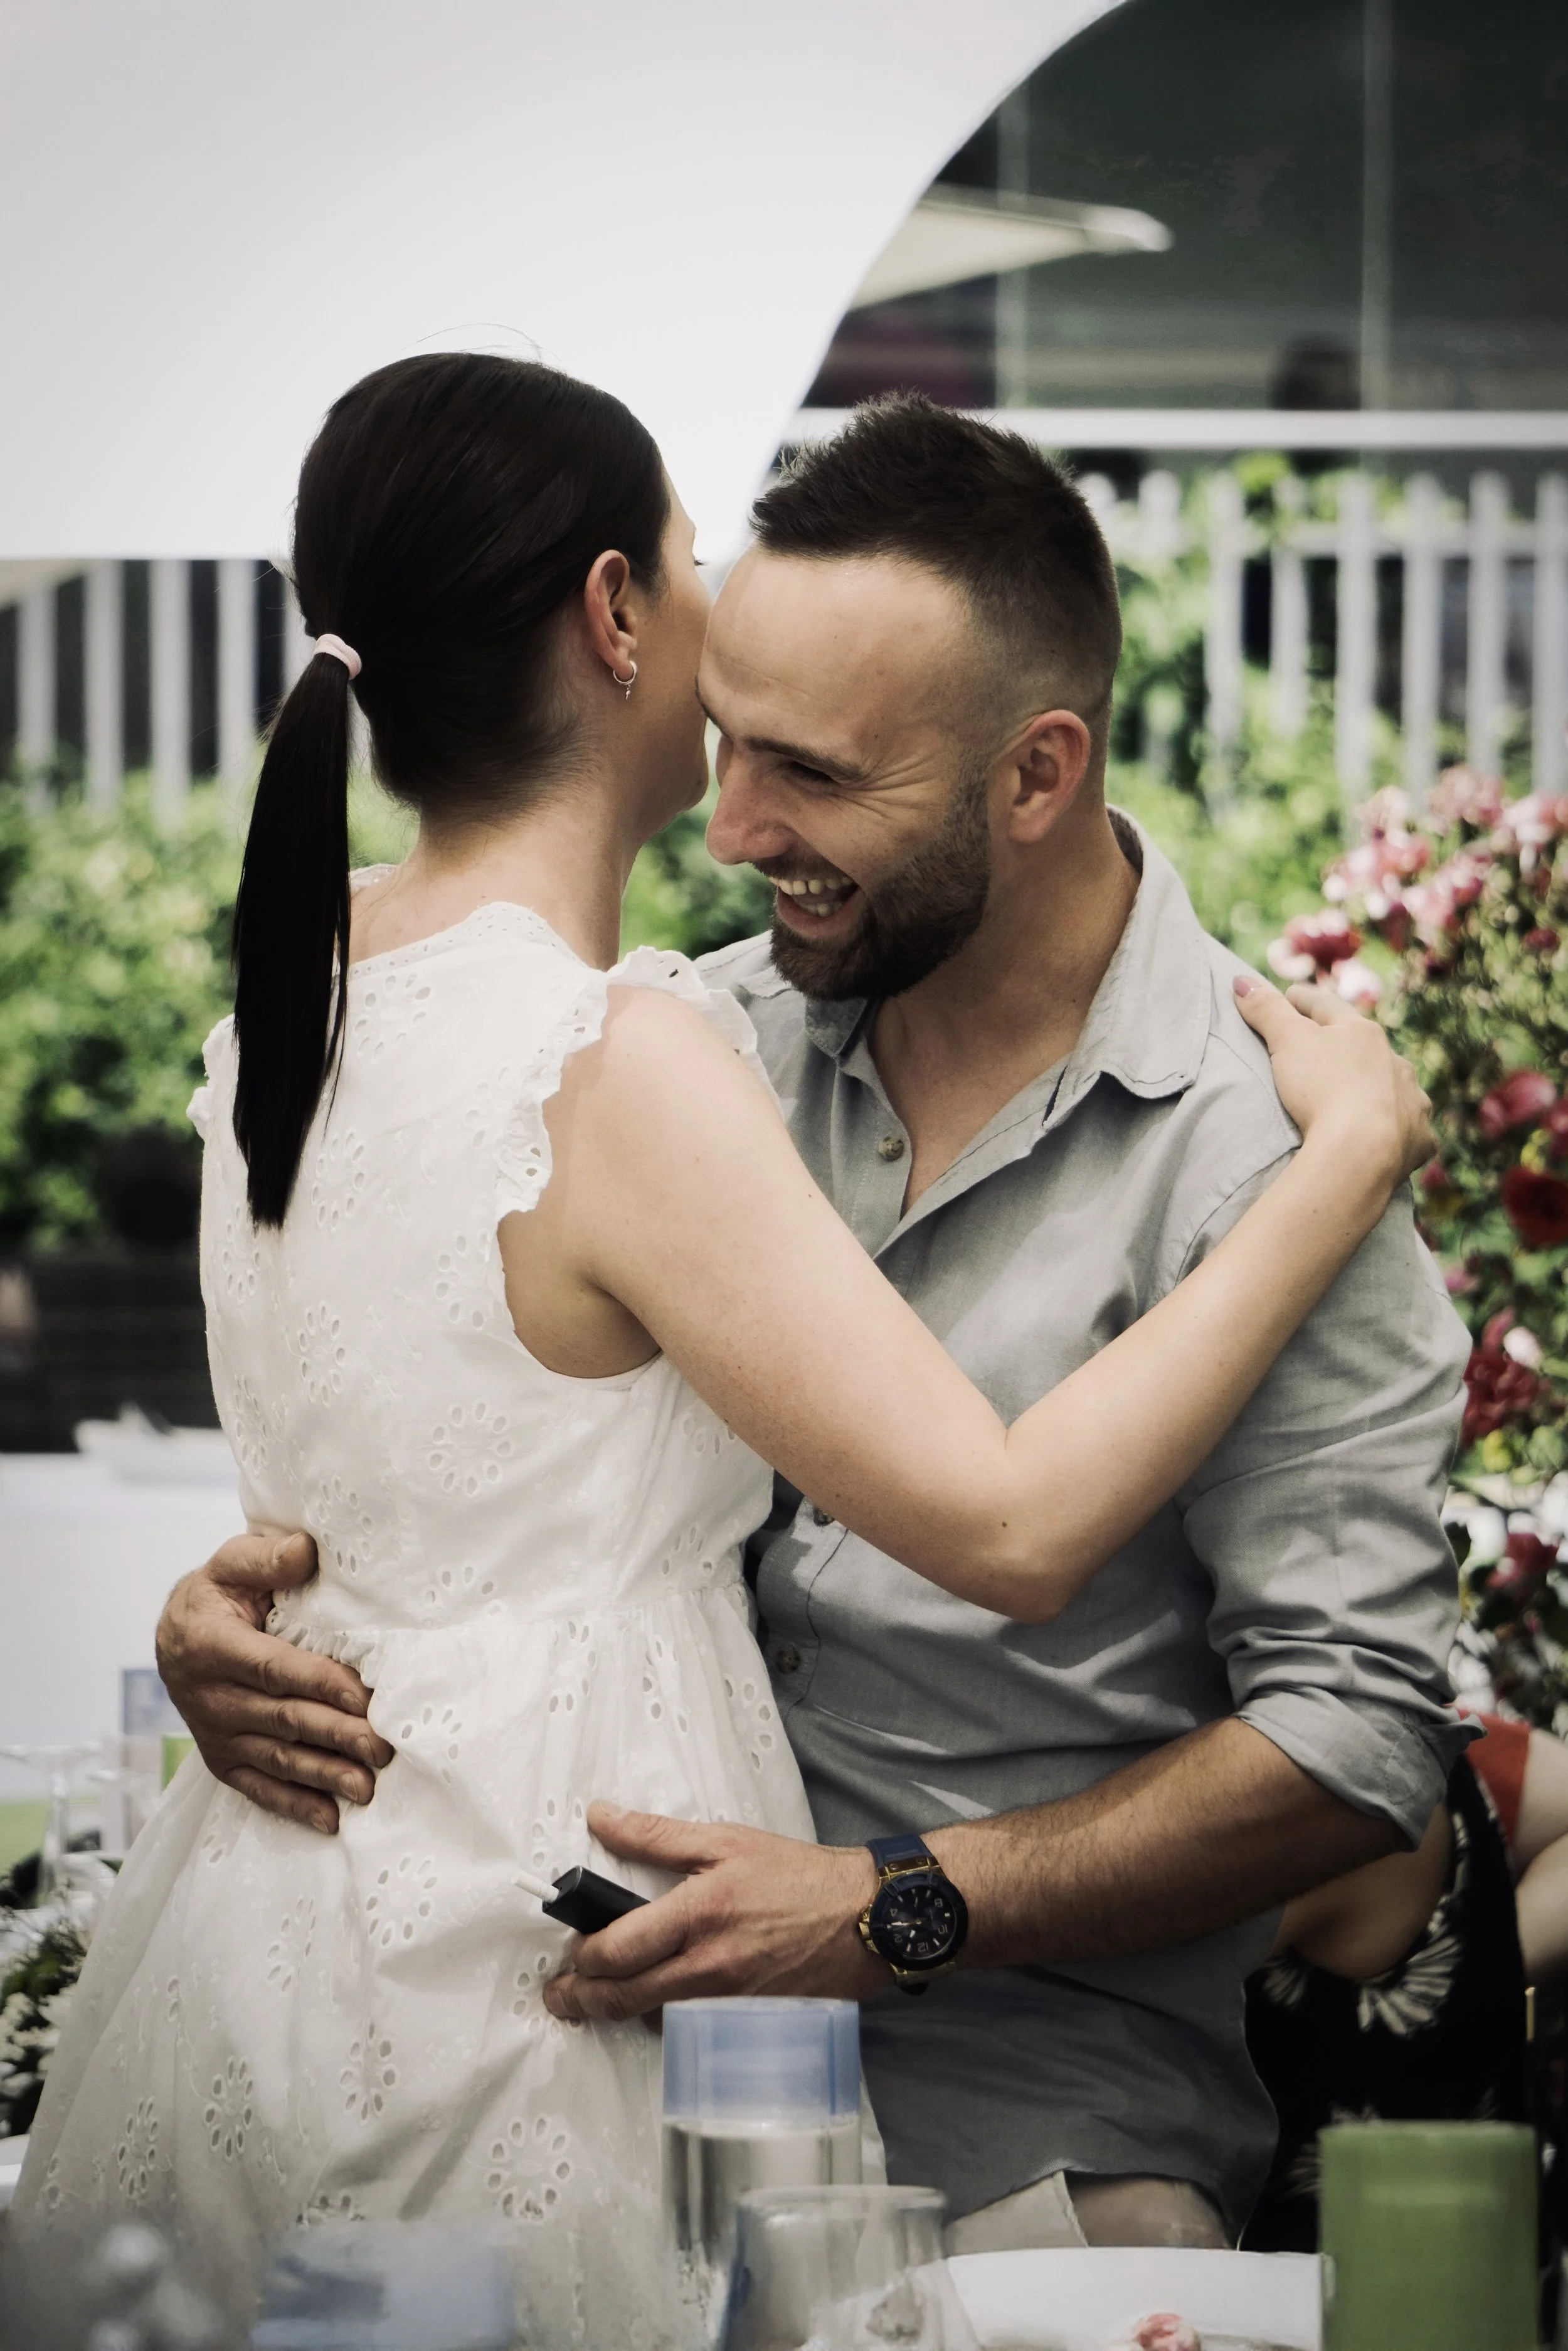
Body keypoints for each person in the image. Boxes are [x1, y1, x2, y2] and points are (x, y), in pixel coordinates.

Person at [145, 391, 1466, 2273]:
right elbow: (446, 1425)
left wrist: (899, 1906)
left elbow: (1357, 1734)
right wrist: (252, 1617)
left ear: (1034, 773)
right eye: (727, 735)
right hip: (573, 2045)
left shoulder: (1266, 1139)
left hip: (1028, 2108)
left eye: (814, 773)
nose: (735, 823)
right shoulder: (672, 1041)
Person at [1244, 1711, 1568, 2252]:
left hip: (1351, 2295)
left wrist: (1493, 1962)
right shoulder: (1417, 1731)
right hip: (1493, 2263)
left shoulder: (1307, 1777)